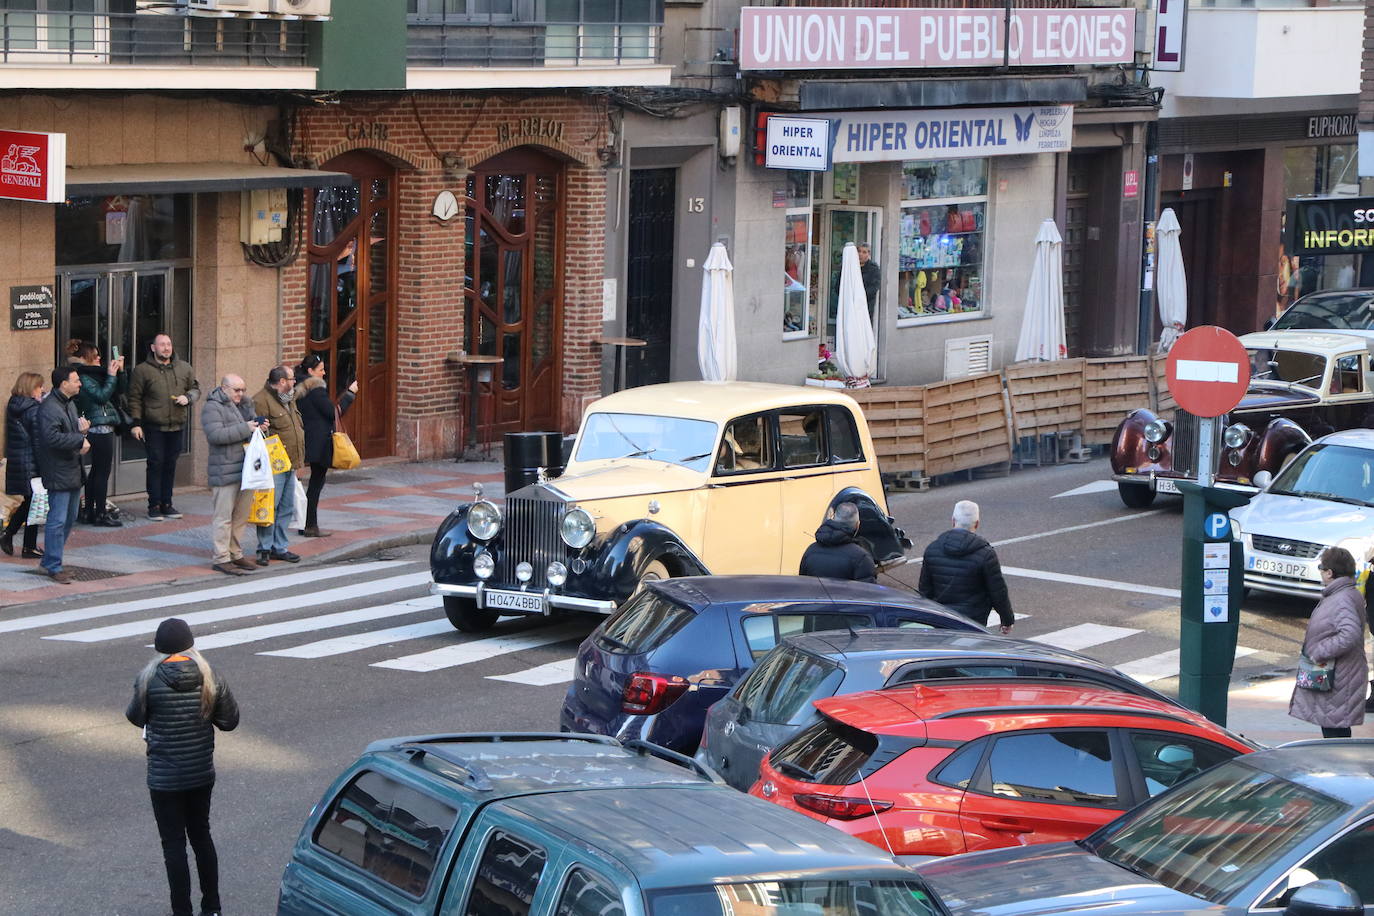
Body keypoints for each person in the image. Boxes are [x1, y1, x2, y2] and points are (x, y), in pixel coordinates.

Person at [125, 617, 239, 916]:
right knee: (201, 836)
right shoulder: (209, 675)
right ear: (191, 646)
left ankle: (182, 912)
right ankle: (212, 908)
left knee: (173, 845)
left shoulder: (148, 679)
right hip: (200, 772)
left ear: (159, 649)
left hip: (163, 778)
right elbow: (230, 721)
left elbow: (135, 717)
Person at [1289, 546, 1368, 738]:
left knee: (1334, 731)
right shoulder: (1344, 593)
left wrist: (1319, 651)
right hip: (1340, 675)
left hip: (1339, 676)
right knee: (1334, 726)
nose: (1321, 573)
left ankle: (1339, 768)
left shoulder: (1341, 599)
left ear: (1330, 572)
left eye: (1321, 569)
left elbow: (1350, 633)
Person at [128, 333, 199, 521]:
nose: (166, 348)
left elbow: (195, 388)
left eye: (168, 344)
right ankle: (154, 505)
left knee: (170, 464)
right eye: (162, 345)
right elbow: (134, 398)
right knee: (155, 464)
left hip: (177, 424)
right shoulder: (142, 370)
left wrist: (189, 397)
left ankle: (167, 504)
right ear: (153, 348)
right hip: (154, 425)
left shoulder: (184, 368)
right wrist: (136, 423)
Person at [918, 500, 1014, 633]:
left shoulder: (932, 549)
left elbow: (925, 591)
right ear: (977, 524)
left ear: (953, 521)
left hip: (942, 618)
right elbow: (998, 592)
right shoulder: (985, 554)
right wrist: (1007, 619)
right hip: (973, 621)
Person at [202, 375, 264, 577]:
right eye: (236, 390)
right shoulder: (212, 407)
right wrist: (245, 427)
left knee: (240, 516)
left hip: (245, 469)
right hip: (224, 468)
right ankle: (221, 557)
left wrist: (258, 426)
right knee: (223, 517)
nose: (241, 394)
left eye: (243, 390)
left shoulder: (245, 405)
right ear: (224, 388)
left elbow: (248, 430)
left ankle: (235, 552)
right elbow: (216, 435)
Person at [36, 366, 90, 583]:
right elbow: (51, 438)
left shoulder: (69, 404)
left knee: (69, 518)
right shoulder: (49, 407)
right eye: (76, 380)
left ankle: (50, 561)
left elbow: (67, 433)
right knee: (57, 520)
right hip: (58, 470)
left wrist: (81, 432)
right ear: (63, 383)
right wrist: (78, 440)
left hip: (72, 468)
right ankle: (53, 565)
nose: (79, 383)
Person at [295, 354, 356, 538]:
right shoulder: (316, 390)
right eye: (321, 369)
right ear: (310, 371)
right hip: (319, 442)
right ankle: (310, 525)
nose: (324, 373)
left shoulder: (297, 388)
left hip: (307, 439)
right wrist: (350, 394)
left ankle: (304, 522)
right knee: (316, 483)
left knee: (310, 483)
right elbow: (333, 413)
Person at [67, 338, 125, 528]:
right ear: (85, 357)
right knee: (102, 471)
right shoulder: (83, 376)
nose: (99, 357)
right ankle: (99, 513)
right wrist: (111, 375)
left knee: (98, 472)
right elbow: (101, 397)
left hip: (103, 425)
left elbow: (121, 390)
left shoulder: (94, 374)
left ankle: (91, 511)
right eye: (95, 355)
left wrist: (119, 372)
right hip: (97, 427)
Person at [250, 365, 303, 566]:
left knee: (286, 506)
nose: (294, 382)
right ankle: (264, 547)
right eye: (291, 379)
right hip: (273, 464)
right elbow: (258, 433)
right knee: (269, 506)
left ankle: (279, 547)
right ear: (281, 381)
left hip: (290, 462)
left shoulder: (289, 399)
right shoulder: (261, 400)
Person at [1, 372, 44, 558]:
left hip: (19, 460)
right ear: (30, 388)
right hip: (31, 461)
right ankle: (25, 544)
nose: (42, 390)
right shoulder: (33, 409)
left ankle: (13, 537)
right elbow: (38, 439)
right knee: (35, 502)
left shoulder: (14, 405)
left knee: (31, 501)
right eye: (39, 386)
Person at [799, 502, 876, 583]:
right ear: (857, 525)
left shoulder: (810, 551)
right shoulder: (861, 558)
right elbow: (868, 593)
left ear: (833, 519)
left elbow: (803, 586)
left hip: (816, 595)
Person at [857, 243, 880, 320]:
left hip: (866, 307)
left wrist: (860, 295)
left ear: (868, 254)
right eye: (859, 251)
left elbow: (874, 288)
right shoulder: (852, 266)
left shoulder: (873, 268)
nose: (860, 254)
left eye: (864, 252)